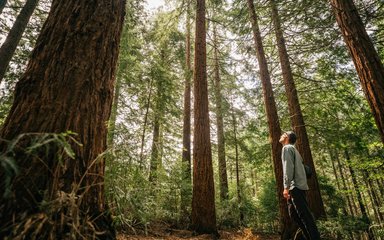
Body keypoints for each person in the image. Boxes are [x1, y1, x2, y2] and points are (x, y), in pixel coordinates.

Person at [279, 131, 320, 240]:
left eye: (284, 133)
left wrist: (286, 187)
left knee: (305, 217)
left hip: (295, 187)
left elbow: (288, 168)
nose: (282, 135)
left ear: (287, 137)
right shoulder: (294, 150)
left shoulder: (287, 148)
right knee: (295, 215)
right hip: (298, 187)